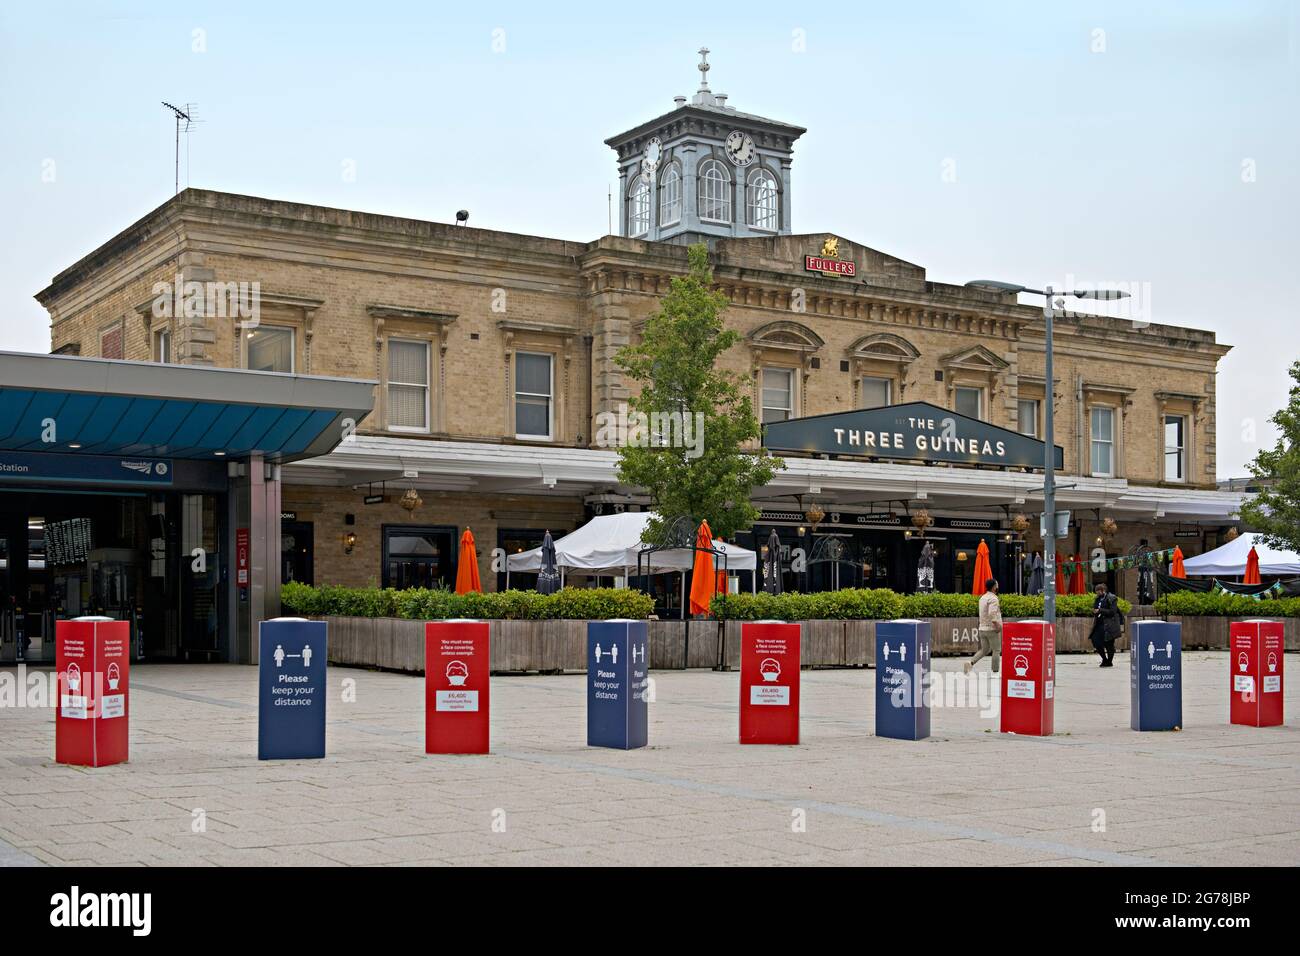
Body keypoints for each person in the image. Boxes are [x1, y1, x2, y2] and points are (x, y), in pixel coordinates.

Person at [965, 577, 1002, 674]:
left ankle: (970, 662)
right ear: (994, 587)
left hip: (982, 628)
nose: (998, 586)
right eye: (997, 584)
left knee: (984, 650)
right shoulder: (993, 598)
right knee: (996, 650)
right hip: (992, 629)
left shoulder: (982, 598)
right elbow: (992, 614)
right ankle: (995, 672)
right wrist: (997, 625)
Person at [1090, 582, 1124, 667]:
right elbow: (1095, 608)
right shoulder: (1098, 599)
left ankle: (1109, 661)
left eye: (1098, 591)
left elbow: (1112, 612)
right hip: (1099, 624)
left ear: (1103, 590)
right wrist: (1094, 611)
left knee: (1109, 644)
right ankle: (1104, 659)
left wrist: (1100, 610)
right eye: (1096, 591)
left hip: (1110, 624)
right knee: (1095, 641)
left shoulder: (1112, 598)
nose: (1097, 593)